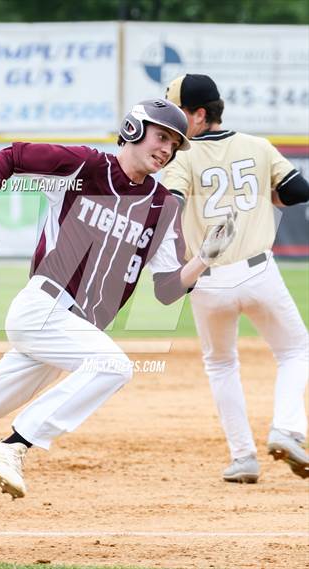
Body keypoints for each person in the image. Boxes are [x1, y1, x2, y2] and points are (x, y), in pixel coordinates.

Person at [0, 99, 236, 499]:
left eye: (174, 143)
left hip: (70, 331)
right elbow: (11, 157)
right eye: (161, 136)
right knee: (114, 366)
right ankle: (14, 447)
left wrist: (205, 258)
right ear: (133, 129)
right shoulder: (85, 168)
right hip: (43, 307)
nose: (166, 149)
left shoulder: (162, 208)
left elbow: (168, 289)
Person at [163, 74, 309, 483]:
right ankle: (286, 428)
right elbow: (300, 190)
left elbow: (169, 205)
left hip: (206, 279)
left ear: (201, 114)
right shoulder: (258, 146)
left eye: (180, 113)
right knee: (296, 352)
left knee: (221, 365)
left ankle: (243, 458)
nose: (174, 122)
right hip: (259, 272)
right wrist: (267, 195)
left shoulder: (181, 157)